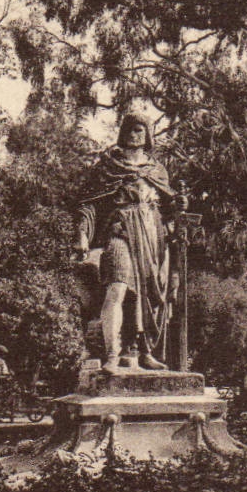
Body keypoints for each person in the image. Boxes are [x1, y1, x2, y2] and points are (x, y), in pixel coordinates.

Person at [73, 111, 178, 373]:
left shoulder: (157, 170)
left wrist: (178, 208)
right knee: (117, 289)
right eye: (130, 129)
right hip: (119, 231)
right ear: (123, 132)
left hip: (152, 236)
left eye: (140, 129)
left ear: (148, 134)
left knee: (148, 296)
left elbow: (169, 209)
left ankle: (142, 351)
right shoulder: (108, 167)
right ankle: (112, 354)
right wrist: (82, 235)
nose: (134, 134)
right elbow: (88, 205)